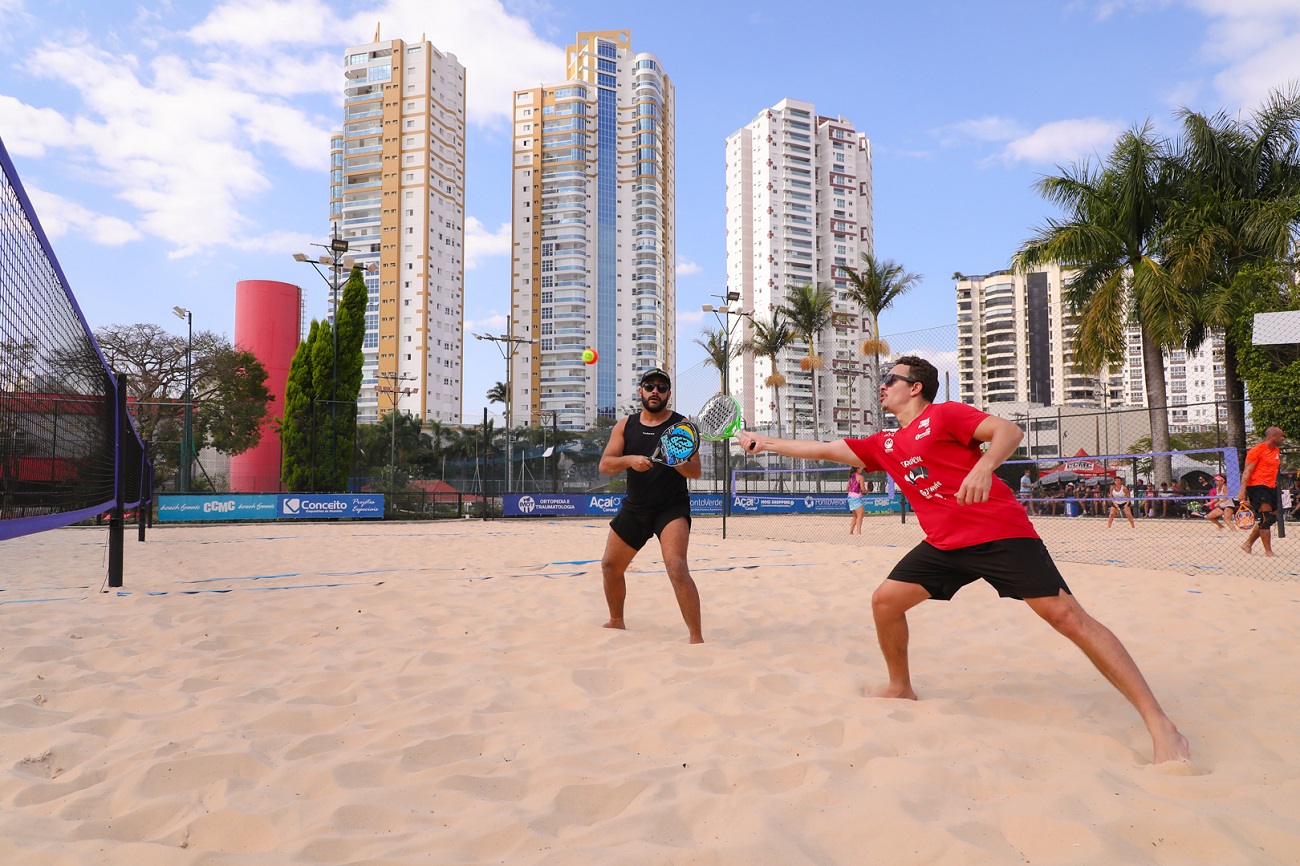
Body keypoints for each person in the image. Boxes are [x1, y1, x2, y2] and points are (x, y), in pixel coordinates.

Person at [736, 355, 1190, 764]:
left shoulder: (945, 415)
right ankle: (900, 687)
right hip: (946, 544)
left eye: (889, 378)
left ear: (915, 387)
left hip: (998, 531)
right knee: (885, 602)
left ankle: (1160, 724)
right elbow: (823, 449)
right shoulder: (886, 444)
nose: (882, 385)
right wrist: (765, 442)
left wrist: (982, 465)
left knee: (1068, 617)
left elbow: (1009, 431)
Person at [598, 368, 704, 642]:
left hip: (671, 509)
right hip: (636, 507)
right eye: (649, 386)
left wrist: (676, 460)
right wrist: (629, 460)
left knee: (677, 566)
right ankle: (616, 622)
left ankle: (696, 638)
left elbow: (695, 471)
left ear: (668, 393)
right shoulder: (625, 425)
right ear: (640, 391)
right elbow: (606, 464)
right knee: (610, 566)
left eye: (661, 387)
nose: (655, 391)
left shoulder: (681, 426)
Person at [1240, 426, 1286, 557]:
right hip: (1257, 486)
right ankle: (1268, 551)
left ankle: (1247, 543)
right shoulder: (1257, 450)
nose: (1283, 438)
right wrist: (1243, 491)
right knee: (1266, 518)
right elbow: (1247, 471)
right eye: (1281, 436)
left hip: (1271, 486)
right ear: (1273, 437)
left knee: (1271, 519)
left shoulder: (1276, 450)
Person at [847, 467, 866, 535]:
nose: (862, 469)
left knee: (855, 516)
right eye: (860, 468)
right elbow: (863, 489)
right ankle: (858, 532)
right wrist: (866, 491)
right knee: (860, 515)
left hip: (850, 497)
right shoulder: (860, 477)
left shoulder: (851, 477)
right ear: (857, 469)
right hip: (856, 498)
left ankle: (851, 531)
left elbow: (847, 488)